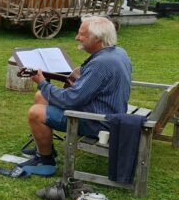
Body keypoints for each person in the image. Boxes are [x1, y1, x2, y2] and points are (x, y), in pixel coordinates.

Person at [22, 16, 131, 177]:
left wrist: (43, 82)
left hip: (100, 122)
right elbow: (91, 87)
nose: (77, 38)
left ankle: (45, 162)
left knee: (36, 112)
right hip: (108, 111)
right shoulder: (117, 53)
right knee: (41, 97)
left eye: (82, 35)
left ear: (97, 39)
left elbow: (71, 100)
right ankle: (45, 150)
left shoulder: (100, 64)